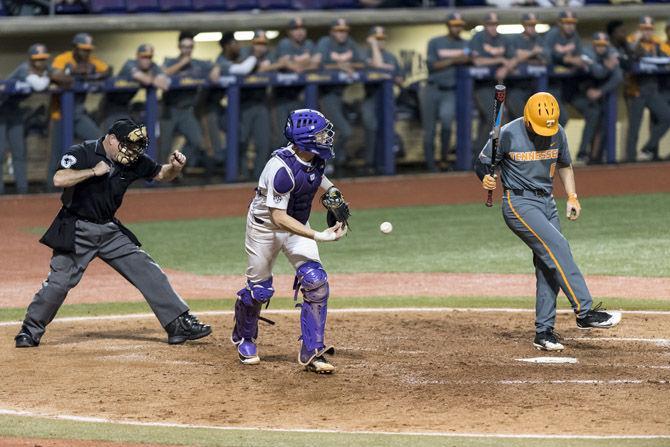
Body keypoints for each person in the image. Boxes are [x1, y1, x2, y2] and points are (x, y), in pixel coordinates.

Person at [14, 118, 212, 348]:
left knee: (147, 269)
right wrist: (92, 171)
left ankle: (178, 324)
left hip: (109, 230)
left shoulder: (132, 160)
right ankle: (29, 330)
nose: (132, 152)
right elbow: (59, 178)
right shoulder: (83, 152)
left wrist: (175, 168)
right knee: (58, 284)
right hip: (77, 228)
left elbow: (160, 174)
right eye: (127, 145)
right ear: (111, 139)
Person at [475, 92, 622, 351]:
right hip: (519, 204)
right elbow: (484, 162)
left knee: (548, 264)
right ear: (528, 120)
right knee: (558, 248)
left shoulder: (557, 131)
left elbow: (564, 165)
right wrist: (486, 178)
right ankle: (585, 312)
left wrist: (573, 196)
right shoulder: (507, 133)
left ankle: (544, 332)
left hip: (548, 203)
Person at [232, 108, 347, 374]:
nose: (325, 137)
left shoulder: (314, 157)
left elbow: (314, 175)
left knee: (316, 282)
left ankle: (312, 350)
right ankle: (244, 336)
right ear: (304, 138)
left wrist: (332, 190)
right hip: (265, 229)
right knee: (259, 291)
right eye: (320, 134)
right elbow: (279, 218)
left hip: (296, 225)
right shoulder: (280, 169)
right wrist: (319, 235)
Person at [49, 33, 111, 189]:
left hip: (78, 113)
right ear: (75, 48)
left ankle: (94, 182)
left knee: (99, 142)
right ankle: (50, 189)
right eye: (83, 49)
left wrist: (92, 73)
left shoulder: (91, 62)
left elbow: (108, 70)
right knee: (58, 154)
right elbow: (55, 75)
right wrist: (76, 72)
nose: (86, 53)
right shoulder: (64, 59)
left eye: (88, 50)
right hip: (60, 114)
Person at [313, 18, 365, 172]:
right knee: (341, 130)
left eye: (345, 31)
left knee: (330, 131)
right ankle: (329, 161)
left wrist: (347, 66)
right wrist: (341, 66)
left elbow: (362, 63)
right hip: (323, 94)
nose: (342, 34)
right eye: (338, 31)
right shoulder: (325, 42)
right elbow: (319, 65)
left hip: (339, 94)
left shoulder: (350, 43)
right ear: (332, 32)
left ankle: (332, 160)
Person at [0, 43, 52, 195]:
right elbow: (39, 85)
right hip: (1, 111)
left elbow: (57, 75)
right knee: (0, 152)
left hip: (15, 111)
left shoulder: (44, 69)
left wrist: (51, 74)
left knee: (19, 152)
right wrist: (49, 77)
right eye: (37, 59)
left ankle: (22, 191)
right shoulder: (24, 68)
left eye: (43, 59)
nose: (41, 62)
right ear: (31, 60)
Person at [422, 12, 470, 172]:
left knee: (447, 124)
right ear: (448, 25)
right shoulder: (436, 42)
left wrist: (467, 59)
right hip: (431, 88)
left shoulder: (466, 44)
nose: (457, 28)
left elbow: (473, 61)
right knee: (429, 130)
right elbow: (433, 65)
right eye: (454, 25)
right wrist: (455, 60)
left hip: (450, 90)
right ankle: (430, 165)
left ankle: (443, 159)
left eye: (460, 25)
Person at [161, 31, 212, 169]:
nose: (187, 50)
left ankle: (175, 167)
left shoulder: (198, 64)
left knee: (197, 142)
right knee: (163, 147)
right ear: (179, 46)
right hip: (169, 110)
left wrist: (215, 71)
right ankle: (159, 179)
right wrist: (182, 63)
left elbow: (214, 69)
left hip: (187, 111)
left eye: (190, 47)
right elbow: (162, 74)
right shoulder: (170, 61)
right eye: (184, 46)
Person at [469, 12, 516, 156]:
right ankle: (481, 155)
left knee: (495, 120)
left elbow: (514, 58)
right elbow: (477, 61)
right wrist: (500, 60)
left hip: (499, 84)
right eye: (490, 24)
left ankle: (484, 155)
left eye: (495, 24)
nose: (493, 27)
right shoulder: (478, 37)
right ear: (485, 25)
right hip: (482, 86)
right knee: (492, 119)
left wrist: (506, 67)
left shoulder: (503, 39)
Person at [624, 16, 670, 162]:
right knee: (634, 127)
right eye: (644, 28)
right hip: (636, 89)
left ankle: (647, 148)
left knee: (666, 117)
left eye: (650, 29)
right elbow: (627, 52)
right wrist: (637, 39)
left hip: (652, 89)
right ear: (640, 28)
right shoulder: (632, 38)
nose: (647, 32)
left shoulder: (657, 42)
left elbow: (667, 55)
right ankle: (630, 159)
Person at [573, 33, 622, 164]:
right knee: (593, 114)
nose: (601, 48)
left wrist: (600, 91)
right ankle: (582, 153)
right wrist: (607, 66)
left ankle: (594, 155)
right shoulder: (586, 51)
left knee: (603, 120)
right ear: (594, 44)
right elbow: (597, 72)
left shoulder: (611, 52)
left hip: (597, 93)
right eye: (598, 45)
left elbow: (618, 77)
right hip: (576, 91)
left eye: (604, 45)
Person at [101, 44, 170, 132]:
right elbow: (145, 79)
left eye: (149, 57)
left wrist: (155, 77)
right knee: (109, 140)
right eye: (144, 57)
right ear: (137, 56)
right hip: (109, 107)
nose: (147, 60)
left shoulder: (152, 66)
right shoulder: (129, 64)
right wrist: (154, 78)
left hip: (124, 107)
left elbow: (165, 85)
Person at [362, 26, 403, 174]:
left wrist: (393, 76)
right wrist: (373, 47)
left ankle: (386, 164)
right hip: (371, 97)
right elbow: (377, 65)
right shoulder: (364, 54)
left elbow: (400, 79)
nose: (380, 42)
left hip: (387, 99)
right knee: (371, 127)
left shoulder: (391, 56)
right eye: (377, 39)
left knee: (388, 129)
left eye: (382, 39)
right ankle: (369, 163)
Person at [543, 10, 588, 145]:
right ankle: (546, 151)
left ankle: (584, 153)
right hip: (551, 85)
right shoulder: (552, 34)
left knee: (592, 110)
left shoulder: (575, 36)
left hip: (568, 85)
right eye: (566, 23)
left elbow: (579, 58)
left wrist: (572, 61)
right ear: (559, 23)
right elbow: (546, 57)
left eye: (573, 23)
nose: (570, 26)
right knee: (561, 118)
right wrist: (565, 59)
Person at [272, 18, 317, 147]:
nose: (299, 32)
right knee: (281, 138)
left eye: (302, 28)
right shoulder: (285, 43)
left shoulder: (308, 44)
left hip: (300, 96)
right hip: (281, 97)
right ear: (289, 32)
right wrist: (304, 61)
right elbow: (286, 64)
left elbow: (315, 63)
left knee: (303, 137)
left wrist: (299, 65)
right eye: (295, 29)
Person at [507, 13, 546, 120]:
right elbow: (515, 59)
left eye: (533, 25)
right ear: (523, 25)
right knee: (519, 119)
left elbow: (544, 60)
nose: (532, 28)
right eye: (529, 25)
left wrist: (525, 56)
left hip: (535, 86)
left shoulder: (539, 39)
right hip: (516, 86)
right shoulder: (515, 39)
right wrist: (533, 52)